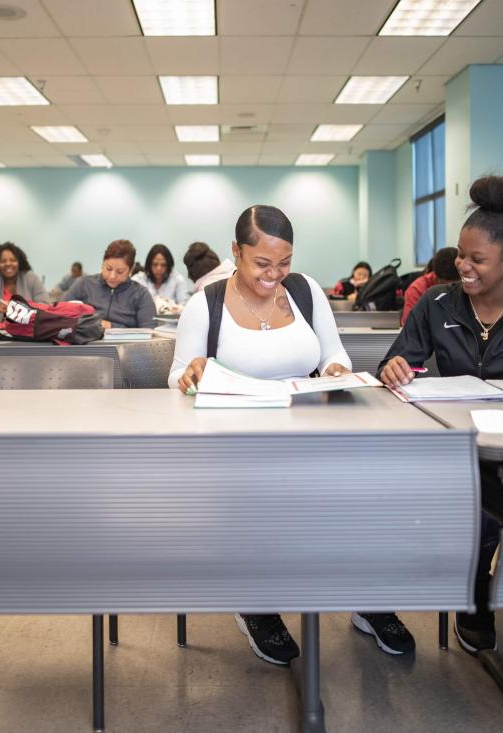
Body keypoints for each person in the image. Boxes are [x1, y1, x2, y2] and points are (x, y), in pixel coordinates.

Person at [378, 175, 503, 655]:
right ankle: (474, 593)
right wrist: (393, 366)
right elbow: (397, 362)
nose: (463, 267)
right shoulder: (436, 303)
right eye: (461, 255)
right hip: (457, 446)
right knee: (479, 499)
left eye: (477, 260)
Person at [168, 205, 351, 666]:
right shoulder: (205, 303)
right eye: (262, 264)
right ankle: (257, 600)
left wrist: (335, 370)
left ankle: (367, 595)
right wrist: (191, 373)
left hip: (307, 437)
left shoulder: (306, 292)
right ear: (236, 252)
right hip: (235, 447)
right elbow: (176, 377)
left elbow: (335, 355)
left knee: (365, 488)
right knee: (262, 494)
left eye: (284, 262)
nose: (275, 275)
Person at [63, 240, 156, 329]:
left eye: (120, 271)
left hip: (125, 344)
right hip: (85, 343)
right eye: (108, 268)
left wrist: (112, 327)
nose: (112, 276)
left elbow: (149, 332)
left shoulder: (141, 294)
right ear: (102, 264)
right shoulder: (84, 284)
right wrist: (93, 324)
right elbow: (59, 315)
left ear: (131, 270)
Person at [0, 242, 49, 313]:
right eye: (3, 261)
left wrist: (24, 309)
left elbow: (46, 304)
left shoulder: (31, 278)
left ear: (19, 262)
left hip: (27, 327)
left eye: (13, 260)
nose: (8, 264)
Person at [400, 247, 460, 325]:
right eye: (445, 285)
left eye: (455, 285)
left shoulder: (470, 284)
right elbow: (409, 325)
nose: (450, 289)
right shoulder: (417, 289)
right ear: (436, 276)